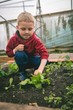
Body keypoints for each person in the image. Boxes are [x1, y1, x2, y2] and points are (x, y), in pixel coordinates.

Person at [6, 11, 49, 80]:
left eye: (30, 29)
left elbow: (44, 53)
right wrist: (15, 49)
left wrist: (40, 69)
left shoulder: (35, 40)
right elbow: (8, 53)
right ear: (17, 27)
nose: (26, 32)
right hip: (22, 62)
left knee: (44, 60)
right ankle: (22, 72)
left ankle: (36, 71)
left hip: (33, 60)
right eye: (23, 29)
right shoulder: (13, 39)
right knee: (19, 54)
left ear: (33, 28)